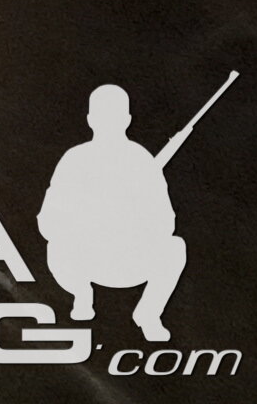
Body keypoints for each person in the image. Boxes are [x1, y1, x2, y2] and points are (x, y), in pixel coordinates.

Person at [41, 82, 194, 343]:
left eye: (113, 116)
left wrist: (133, 221)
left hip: (129, 259)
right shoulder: (74, 159)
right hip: (83, 260)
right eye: (102, 116)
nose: (107, 122)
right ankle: (81, 294)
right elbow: (47, 220)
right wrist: (84, 222)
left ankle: (148, 314)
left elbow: (166, 222)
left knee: (175, 248)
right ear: (90, 120)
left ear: (127, 120)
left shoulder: (141, 160)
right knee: (55, 247)